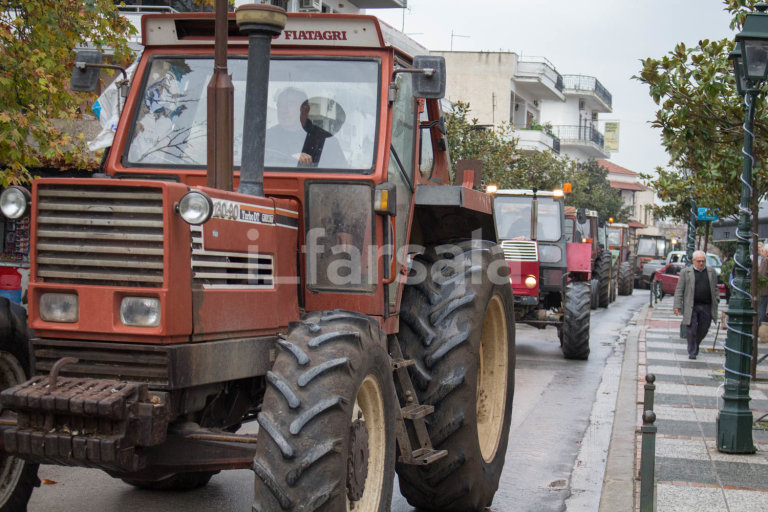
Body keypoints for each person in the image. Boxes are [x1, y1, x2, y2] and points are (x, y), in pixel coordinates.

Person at [265, 88, 346, 168]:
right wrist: (289, 160)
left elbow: (341, 175)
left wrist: (310, 165)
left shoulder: (326, 140)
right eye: (280, 105)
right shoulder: (266, 138)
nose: (283, 110)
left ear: (306, 109)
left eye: (290, 104)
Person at [673, 250, 720, 359]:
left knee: (704, 328)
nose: (701, 263)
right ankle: (692, 351)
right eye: (698, 261)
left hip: (706, 305)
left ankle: (696, 344)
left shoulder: (711, 271)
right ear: (693, 261)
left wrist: (717, 298)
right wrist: (677, 305)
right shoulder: (686, 272)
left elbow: (715, 287)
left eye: (703, 261)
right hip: (692, 305)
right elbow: (679, 290)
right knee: (691, 329)